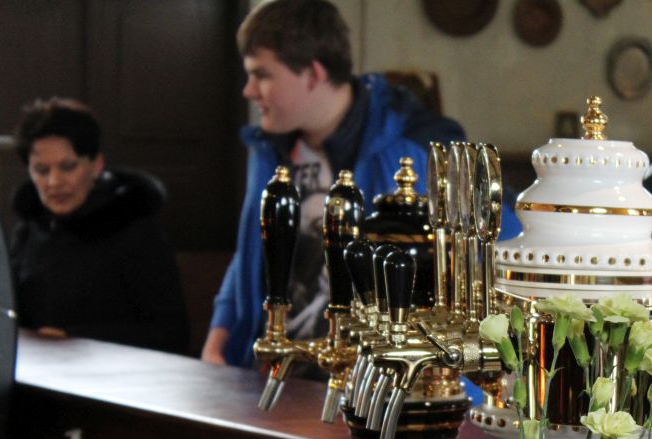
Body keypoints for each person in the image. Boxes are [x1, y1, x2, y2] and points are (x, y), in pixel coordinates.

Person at [201, 0, 520, 368]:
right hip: (272, 370)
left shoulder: (415, 145)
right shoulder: (271, 147)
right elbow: (252, 255)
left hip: (373, 385)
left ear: (313, 73)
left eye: (262, 75)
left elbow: (499, 239)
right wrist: (217, 346)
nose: (249, 90)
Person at [9, 98, 189, 354]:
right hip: (37, 376)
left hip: (117, 381)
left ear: (96, 165)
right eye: (41, 170)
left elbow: (171, 333)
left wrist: (74, 338)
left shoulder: (134, 227)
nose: (54, 182)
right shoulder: (29, 227)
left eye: (68, 167)